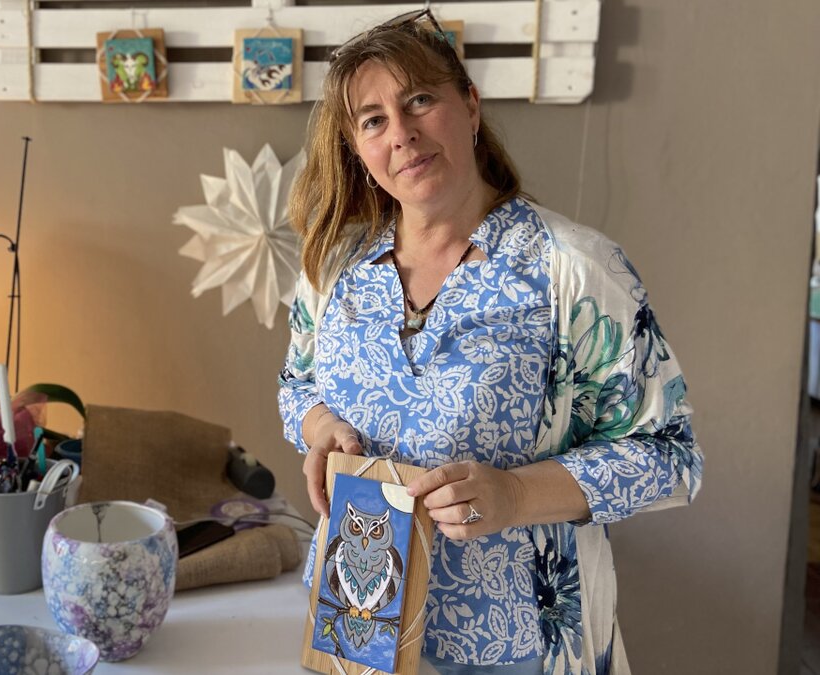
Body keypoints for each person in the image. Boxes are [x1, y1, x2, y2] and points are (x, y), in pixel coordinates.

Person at [277, 10, 703, 675]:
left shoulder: (572, 271)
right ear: (357, 147)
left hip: (511, 647)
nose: (403, 133)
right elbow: (296, 384)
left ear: (470, 106)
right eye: (374, 120)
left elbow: (671, 457)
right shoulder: (333, 268)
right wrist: (318, 426)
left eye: (420, 100)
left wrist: (516, 495)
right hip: (355, 626)